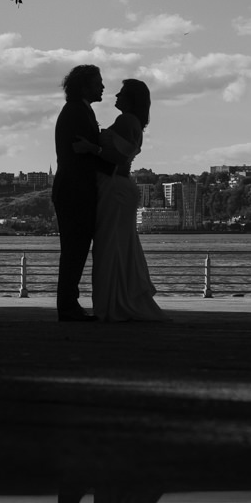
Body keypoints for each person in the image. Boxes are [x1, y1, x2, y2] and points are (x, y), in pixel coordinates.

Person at [92, 78, 166, 322]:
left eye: (121, 93)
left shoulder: (126, 121)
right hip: (122, 188)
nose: (116, 95)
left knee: (110, 246)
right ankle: (120, 300)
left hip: (116, 188)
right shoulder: (133, 122)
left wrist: (90, 148)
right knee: (120, 245)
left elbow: (117, 155)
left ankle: (115, 303)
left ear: (131, 99)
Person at [51, 62, 109, 322]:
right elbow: (80, 151)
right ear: (85, 86)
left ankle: (69, 303)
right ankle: (68, 305)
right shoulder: (76, 111)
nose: (103, 87)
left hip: (73, 189)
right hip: (75, 190)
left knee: (75, 249)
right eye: (98, 82)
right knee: (75, 249)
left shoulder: (77, 110)